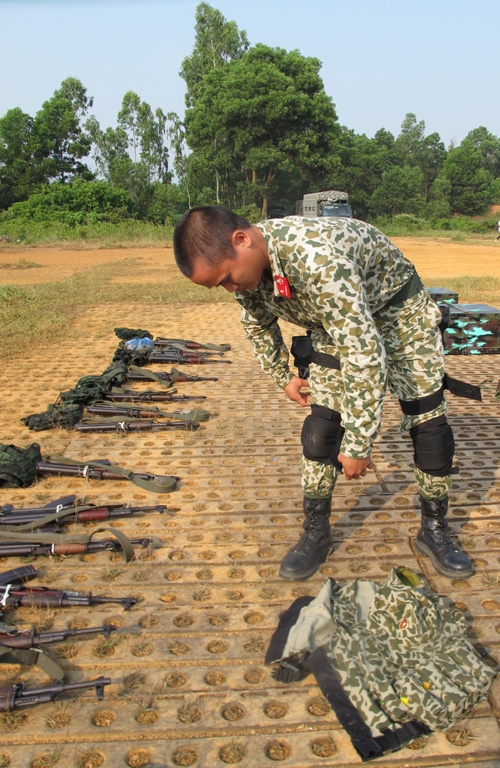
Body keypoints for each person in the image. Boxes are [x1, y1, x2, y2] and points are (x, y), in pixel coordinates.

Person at [173, 206, 474, 582]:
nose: (230, 288)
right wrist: (282, 375)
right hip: (334, 322)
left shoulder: (318, 260)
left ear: (241, 240)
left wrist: (360, 443)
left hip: (400, 314)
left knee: (428, 421)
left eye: (228, 279)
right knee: (322, 427)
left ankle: (434, 529)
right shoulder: (248, 270)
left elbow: (364, 352)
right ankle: (317, 531)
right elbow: (257, 321)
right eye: (221, 285)